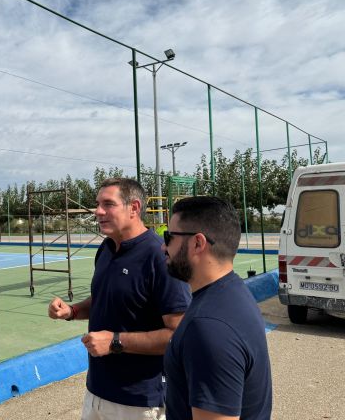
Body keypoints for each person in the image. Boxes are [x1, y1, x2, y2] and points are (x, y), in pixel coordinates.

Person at [48, 177, 191, 420]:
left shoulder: (159, 256)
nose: (98, 211)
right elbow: (104, 299)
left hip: (140, 403)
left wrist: (115, 341)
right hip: (97, 393)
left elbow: (179, 336)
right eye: (97, 204)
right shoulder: (105, 250)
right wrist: (72, 311)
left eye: (108, 204)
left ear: (134, 208)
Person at [162, 196, 272, 420]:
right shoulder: (233, 293)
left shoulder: (208, 327)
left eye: (169, 237)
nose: (163, 246)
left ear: (197, 243)